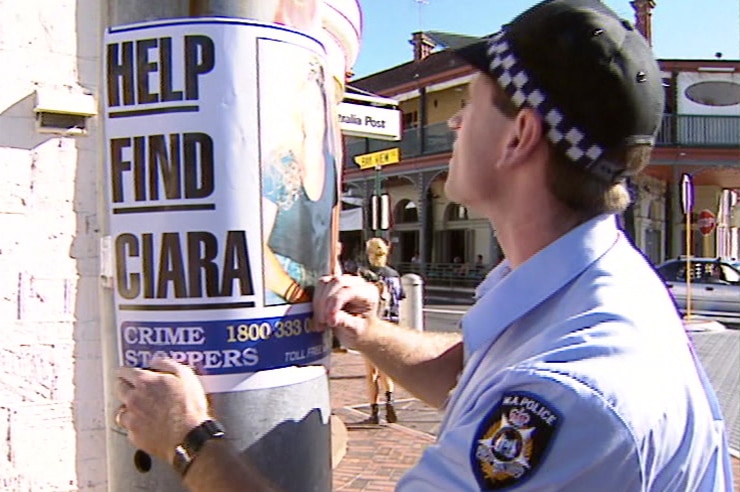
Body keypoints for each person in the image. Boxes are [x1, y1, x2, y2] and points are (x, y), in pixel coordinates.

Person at [114, 1, 734, 490]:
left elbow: (525, 392)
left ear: (519, 136)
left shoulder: (569, 394)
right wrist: (367, 333)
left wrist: (189, 438)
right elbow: (473, 373)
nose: (457, 123)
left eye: (470, 104)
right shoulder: (583, 282)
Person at [260, 54, 338, 305]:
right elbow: (253, 246)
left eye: (320, 104)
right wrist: (298, 295)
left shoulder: (331, 165)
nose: (316, 113)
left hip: (313, 298)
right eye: (308, 103)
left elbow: (330, 249)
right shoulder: (277, 164)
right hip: (277, 298)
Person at [356, 237, 406, 424]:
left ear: (369, 253)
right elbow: (400, 297)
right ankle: (390, 402)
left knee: (371, 372)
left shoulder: (364, 274)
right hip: (391, 324)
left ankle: (375, 412)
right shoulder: (393, 274)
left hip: (372, 325)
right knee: (386, 368)